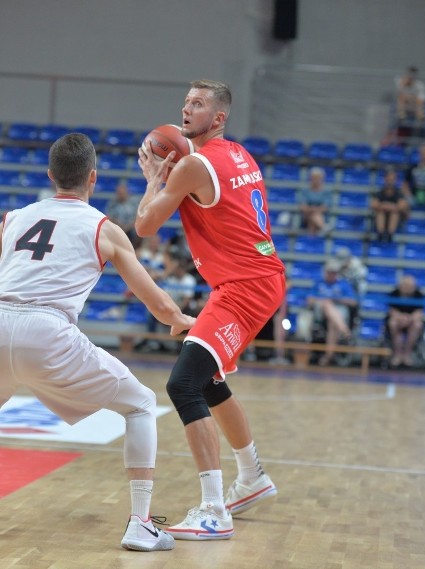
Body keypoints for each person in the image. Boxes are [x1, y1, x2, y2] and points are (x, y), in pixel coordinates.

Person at [0, 133, 195, 552]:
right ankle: (140, 523)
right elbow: (159, 305)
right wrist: (183, 321)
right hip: (49, 330)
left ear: (51, 176)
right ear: (93, 178)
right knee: (140, 403)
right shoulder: (104, 228)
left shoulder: (16, 217)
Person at [134, 79, 286, 540]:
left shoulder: (193, 166)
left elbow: (144, 226)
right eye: (185, 103)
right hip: (261, 277)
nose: (186, 110)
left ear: (217, 118)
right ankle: (252, 476)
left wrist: (153, 181)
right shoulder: (240, 154)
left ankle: (214, 509)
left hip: (243, 286)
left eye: (197, 104)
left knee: (182, 384)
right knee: (209, 379)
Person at [300, 259, 358, 366]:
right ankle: (345, 331)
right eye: (329, 272)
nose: (331, 274)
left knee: (333, 323)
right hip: (320, 311)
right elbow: (309, 299)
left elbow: (353, 301)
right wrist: (324, 300)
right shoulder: (319, 283)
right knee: (327, 303)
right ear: (325, 271)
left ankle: (328, 357)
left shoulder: (343, 284)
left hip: (339, 310)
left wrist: (336, 299)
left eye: (334, 272)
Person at [386, 274, 425, 368]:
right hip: (398, 319)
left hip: (411, 320)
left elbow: (419, 312)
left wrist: (409, 319)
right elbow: (392, 311)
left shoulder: (418, 295)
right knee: (393, 323)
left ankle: (407, 353)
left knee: (418, 325)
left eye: (410, 286)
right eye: (405, 286)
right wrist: (401, 318)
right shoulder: (394, 293)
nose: (407, 288)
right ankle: (398, 354)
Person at [371, 169, 409, 242]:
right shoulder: (380, 192)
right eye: (388, 179)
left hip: (397, 218)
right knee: (380, 213)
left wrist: (385, 205)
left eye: (392, 179)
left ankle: (390, 235)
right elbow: (373, 205)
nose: (390, 181)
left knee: (394, 213)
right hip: (382, 216)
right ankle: (380, 234)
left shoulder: (399, 193)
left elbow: (402, 206)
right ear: (385, 179)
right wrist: (391, 206)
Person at [297, 166, 332, 235]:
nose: (315, 180)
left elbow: (325, 207)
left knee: (313, 218)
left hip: (321, 216)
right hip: (305, 217)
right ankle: (323, 226)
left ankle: (311, 239)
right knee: (313, 215)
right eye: (313, 178)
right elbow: (303, 207)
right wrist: (314, 209)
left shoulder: (326, 193)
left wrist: (313, 209)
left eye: (318, 178)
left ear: (322, 179)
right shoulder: (305, 192)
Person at [105, 180, 140, 247]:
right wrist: (119, 226)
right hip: (117, 229)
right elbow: (108, 217)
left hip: (131, 230)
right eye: (119, 193)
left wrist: (127, 227)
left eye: (122, 192)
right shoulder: (112, 203)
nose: (120, 194)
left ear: (127, 192)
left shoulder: (134, 203)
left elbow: (138, 218)